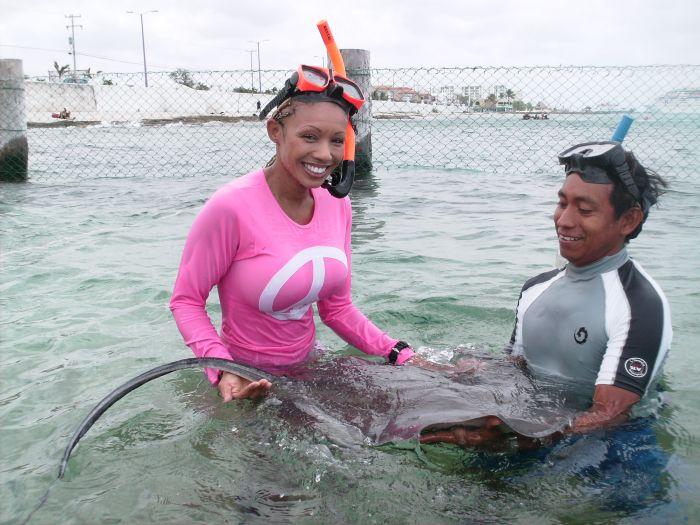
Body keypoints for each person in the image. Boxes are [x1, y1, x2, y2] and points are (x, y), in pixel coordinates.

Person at [170, 64, 415, 402]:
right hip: (246, 381)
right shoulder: (231, 207)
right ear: (276, 131)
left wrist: (398, 353)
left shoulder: (337, 204)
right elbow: (186, 301)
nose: (324, 154)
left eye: (336, 141)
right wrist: (223, 367)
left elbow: (337, 310)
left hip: (310, 368)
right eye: (310, 136)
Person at [422, 141, 671, 446]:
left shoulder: (640, 307)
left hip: (611, 448)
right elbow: (515, 368)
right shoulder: (535, 289)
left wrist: (510, 439)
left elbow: (610, 416)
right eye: (562, 203)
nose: (564, 220)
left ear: (628, 220)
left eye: (585, 210)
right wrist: (459, 377)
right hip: (528, 426)